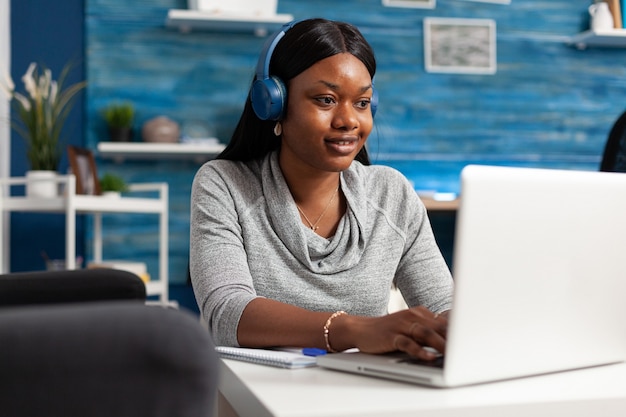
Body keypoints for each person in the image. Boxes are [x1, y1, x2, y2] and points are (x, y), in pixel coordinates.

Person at [190, 18, 453, 361]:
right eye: (326, 99)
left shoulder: (392, 193)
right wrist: (355, 330)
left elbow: (444, 307)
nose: (349, 121)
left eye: (361, 103)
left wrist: (452, 331)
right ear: (274, 105)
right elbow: (226, 313)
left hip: (363, 394)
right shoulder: (224, 184)